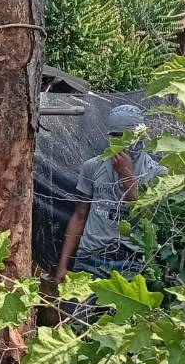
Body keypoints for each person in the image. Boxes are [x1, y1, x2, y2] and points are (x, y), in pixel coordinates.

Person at [54, 104, 165, 284]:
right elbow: (80, 215)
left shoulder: (156, 173)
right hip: (90, 258)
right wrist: (62, 265)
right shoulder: (93, 166)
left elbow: (146, 217)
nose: (121, 141)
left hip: (132, 263)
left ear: (142, 136)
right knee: (80, 303)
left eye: (128, 136)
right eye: (115, 135)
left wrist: (126, 175)